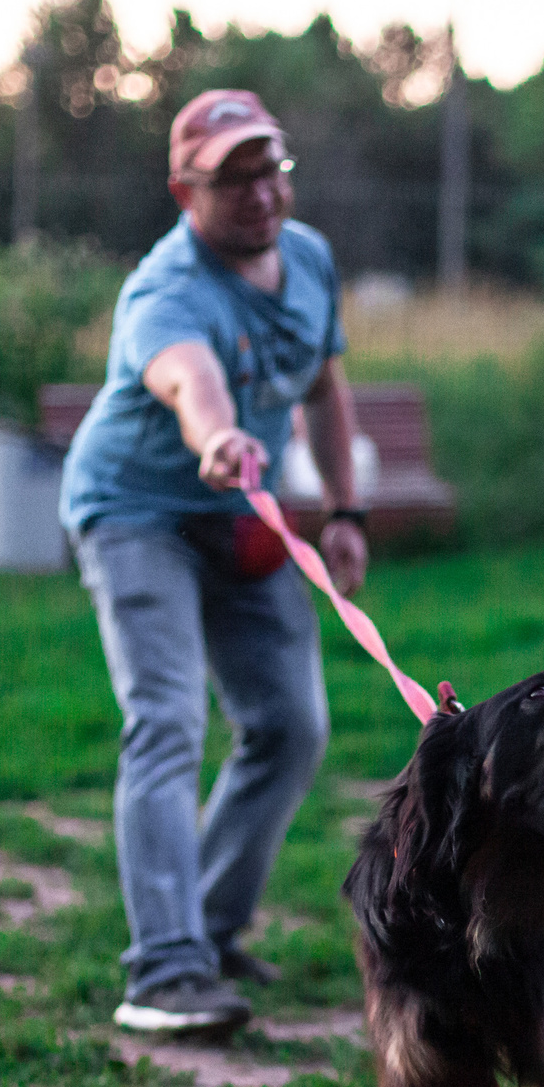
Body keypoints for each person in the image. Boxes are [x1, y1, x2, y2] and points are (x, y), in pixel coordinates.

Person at [60, 89, 369, 1036]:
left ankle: (212, 929)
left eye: (268, 168)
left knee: (291, 724)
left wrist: (345, 506)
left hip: (242, 515)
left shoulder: (308, 258)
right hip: (138, 511)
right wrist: (219, 433)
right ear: (183, 191)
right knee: (166, 718)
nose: (258, 193)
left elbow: (325, 382)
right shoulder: (167, 290)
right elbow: (186, 376)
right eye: (230, 177)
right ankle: (162, 967)